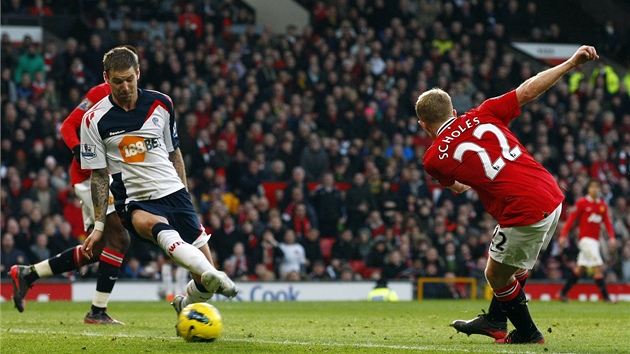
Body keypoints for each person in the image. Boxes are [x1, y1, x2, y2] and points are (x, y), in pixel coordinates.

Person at [415, 46, 599, 344]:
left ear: (424, 126)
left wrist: (473, 178)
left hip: (523, 207)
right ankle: (495, 320)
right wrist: (570, 63)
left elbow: (459, 187)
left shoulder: (434, 158)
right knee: (513, 268)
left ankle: (528, 333)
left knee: (496, 275)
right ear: (454, 112)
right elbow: (528, 88)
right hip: (550, 193)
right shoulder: (485, 111)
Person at [79, 47, 238, 318]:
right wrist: (99, 225)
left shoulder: (162, 104)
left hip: (174, 193)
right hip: (134, 200)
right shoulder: (94, 119)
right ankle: (213, 272)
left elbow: (174, 153)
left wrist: (185, 195)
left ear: (138, 73)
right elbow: (97, 176)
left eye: (130, 78)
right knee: (150, 225)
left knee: (204, 285)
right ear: (106, 78)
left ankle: (185, 302)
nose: (125, 86)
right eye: (117, 81)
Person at [11, 70, 131, 324]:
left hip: (108, 176)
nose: (126, 82)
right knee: (119, 238)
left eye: (130, 76)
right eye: (120, 76)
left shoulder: (135, 101)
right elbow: (67, 126)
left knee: (96, 250)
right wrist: (79, 150)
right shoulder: (99, 93)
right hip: (90, 178)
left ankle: (28, 274)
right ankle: (97, 311)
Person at [558, 179, 617, 302]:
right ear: (588, 189)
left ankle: (563, 293)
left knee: (580, 268)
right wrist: (563, 235)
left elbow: (607, 222)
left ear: (600, 189)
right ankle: (606, 298)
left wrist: (612, 237)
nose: (594, 189)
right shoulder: (582, 203)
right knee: (597, 266)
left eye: (596, 187)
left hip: (595, 241)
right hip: (585, 240)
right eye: (592, 187)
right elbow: (571, 219)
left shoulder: (602, 205)